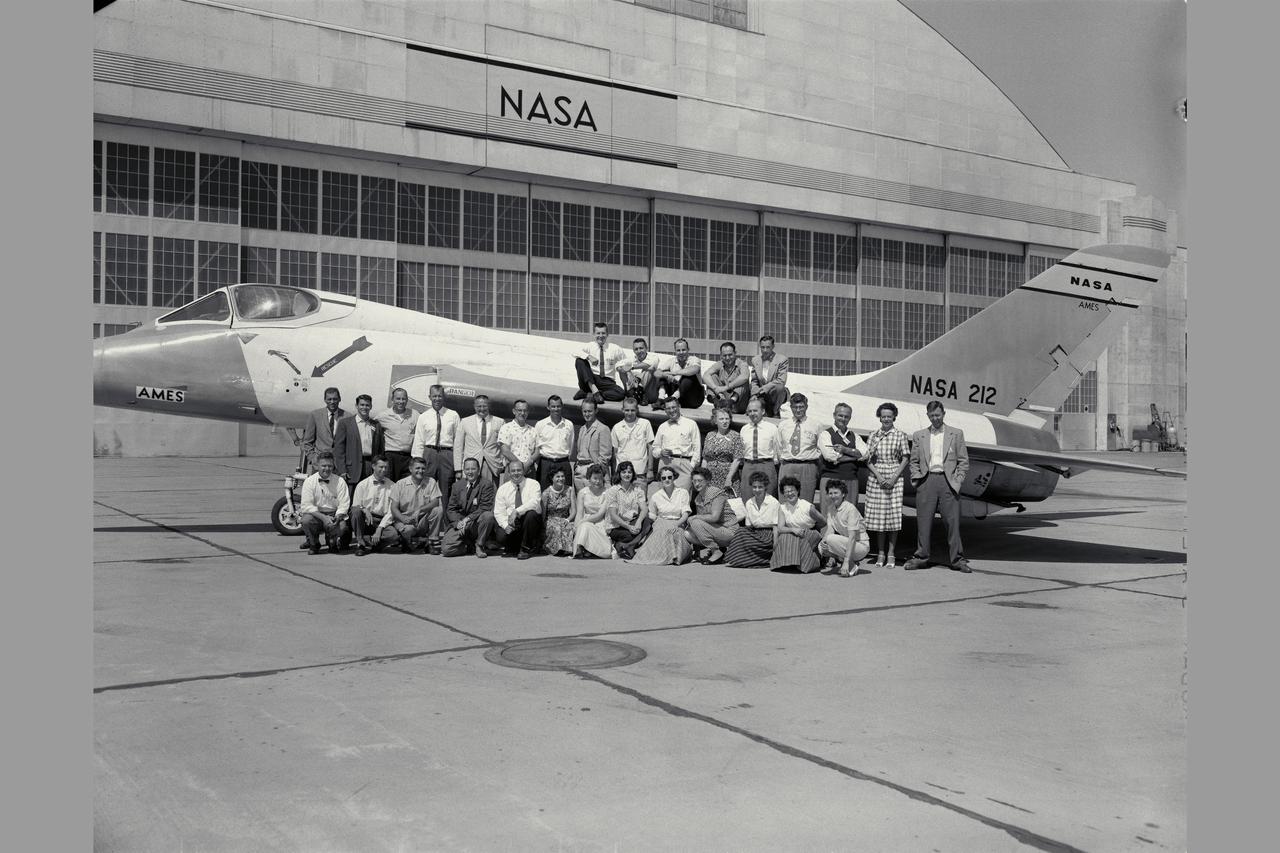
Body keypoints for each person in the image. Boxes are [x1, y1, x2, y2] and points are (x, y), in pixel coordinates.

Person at [903, 401, 973, 573]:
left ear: (944, 414)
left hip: (948, 482)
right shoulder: (920, 435)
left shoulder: (956, 434)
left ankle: (957, 559)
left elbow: (963, 461)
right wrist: (917, 478)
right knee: (924, 522)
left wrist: (958, 479)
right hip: (927, 481)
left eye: (938, 415)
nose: (935, 418)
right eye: (932, 415)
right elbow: (913, 462)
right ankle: (921, 557)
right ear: (927, 415)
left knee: (952, 522)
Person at [410, 384, 460, 554]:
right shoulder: (424, 417)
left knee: (446, 492)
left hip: (447, 454)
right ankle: (424, 531)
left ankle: (446, 532)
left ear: (443, 397)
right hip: (429, 453)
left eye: (440, 396)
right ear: (429, 397)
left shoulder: (453, 415)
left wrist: (457, 463)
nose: (437, 399)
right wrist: (418, 462)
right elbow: (419, 440)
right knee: (427, 491)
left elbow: (457, 440)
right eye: (434, 396)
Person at [864, 402, 911, 568]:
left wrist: (893, 478)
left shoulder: (900, 435)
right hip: (876, 476)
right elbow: (867, 459)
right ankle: (881, 552)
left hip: (894, 475)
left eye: (889, 417)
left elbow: (905, 458)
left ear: (894, 417)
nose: (886, 419)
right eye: (883, 416)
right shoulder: (873, 435)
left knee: (892, 518)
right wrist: (878, 475)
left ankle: (891, 552)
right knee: (879, 518)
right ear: (879, 417)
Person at [627, 466, 690, 565]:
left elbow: (685, 514)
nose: (667, 480)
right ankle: (661, 557)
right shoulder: (656, 496)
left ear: (674, 477)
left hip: (678, 522)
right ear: (660, 480)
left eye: (670, 477)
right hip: (661, 521)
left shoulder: (683, 492)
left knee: (676, 534)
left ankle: (675, 557)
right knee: (663, 532)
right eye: (663, 478)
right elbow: (652, 516)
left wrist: (676, 524)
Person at [441, 457, 496, 558]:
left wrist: (467, 519)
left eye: (473, 469)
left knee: (488, 516)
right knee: (446, 550)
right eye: (467, 469)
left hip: (476, 523)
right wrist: (458, 523)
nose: (470, 472)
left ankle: (479, 545)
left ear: (479, 470)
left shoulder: (486, 484)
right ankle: (469, 547)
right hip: (460, 523)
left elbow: (485, 507)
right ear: (464, 470)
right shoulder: (457, 486)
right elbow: (451, 509)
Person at [682, 467, 738, 565]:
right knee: (688, 533)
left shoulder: (716, 493)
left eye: (700, 481)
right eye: (694, 481)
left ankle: (716, 552)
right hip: (716, 530)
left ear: (708, 481)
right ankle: (720, 549)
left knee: (694, 521)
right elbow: (701, 525)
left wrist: (695, 517)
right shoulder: (698, 499)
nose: (697, 484)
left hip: (730, 531)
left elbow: (714, 517)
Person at [771, 475, 826, 573]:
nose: (790, 493)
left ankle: (809, 562)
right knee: (785, 537)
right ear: (783, 494)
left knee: (796, 538)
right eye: (786, 491)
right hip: (794, 532)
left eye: (792, 490)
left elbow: (823, 521)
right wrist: (793, 529)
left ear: (797, 491)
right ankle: (789, 563)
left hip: (810, 533)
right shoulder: (782, 508)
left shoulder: (807, 507)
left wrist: (813, 529)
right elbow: (780, 528)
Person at [299, 451, 351, 554]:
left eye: (330, 466)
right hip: (316, 515)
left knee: (342, 526)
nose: (327, 469)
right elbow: (306, 506)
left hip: (334, 514)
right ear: (317, 465)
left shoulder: (340, 481)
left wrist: (337, 517)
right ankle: (314, 543)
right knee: (305, 520)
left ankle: (332, 542)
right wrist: (323, 517)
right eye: (324, 466)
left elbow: (344, 504)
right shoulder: (309, 482)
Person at [387, 457, 443, 554]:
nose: (420, 471)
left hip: (421, 520)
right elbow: (394, 508)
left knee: (438, 510)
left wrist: (420, 510)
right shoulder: (400, 484)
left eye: (423, 468)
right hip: (406, 521)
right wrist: (403, 518)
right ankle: (405, 541)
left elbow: (435, 502)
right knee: (408, 530)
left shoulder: (431, 482)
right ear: (410, 469)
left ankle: (432, 542)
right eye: (417, 468)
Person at [724, 471, 780, 568]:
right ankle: (737, 559)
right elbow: (748, 526)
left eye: (760, 487)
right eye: (754, 487)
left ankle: (765, 559)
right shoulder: (749, 503)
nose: (757, 490)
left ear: (765, 487)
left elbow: (776, 527)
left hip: (769, 535)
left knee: (746, 539)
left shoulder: (773, 502)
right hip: (755, 533)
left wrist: (776, 546)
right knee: (740, 531)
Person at [490, 460, 543, 559]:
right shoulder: (502, 489)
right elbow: (498, 512)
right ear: (509, 473)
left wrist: (516, 511)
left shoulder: (533, 484)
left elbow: (535, 502)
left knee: (531, 514)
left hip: (528, 523)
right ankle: (515, 547)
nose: (516, 473)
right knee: (501, 536)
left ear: (524, 471)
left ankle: (525, 548)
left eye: (519, 470)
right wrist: (506, 526)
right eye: (513, 471)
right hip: (512, 523)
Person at [818, 480, 870, 578]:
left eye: (836, 493)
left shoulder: (850, 509)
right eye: (830, 493)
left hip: (861, 546)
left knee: (830, 539)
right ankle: (850, 563)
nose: (833, 496)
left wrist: (846, 561)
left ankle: (849, 563)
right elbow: (830, 529)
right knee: (821, 547)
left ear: (843, 494)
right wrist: (823, 544)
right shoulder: (831, 508)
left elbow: (852, 537)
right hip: (848, 544)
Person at [778, 393, 825, 503]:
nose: (798, 410)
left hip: (807, 467)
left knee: (805, 503)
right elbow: (779, 447)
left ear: (806, 407)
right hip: (787, 466)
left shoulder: (816, 425)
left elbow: (821, 448)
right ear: (791, 407)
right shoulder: (783, 425)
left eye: (801, 407)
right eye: (795, 407)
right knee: (785, 502)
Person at [334, 393, 384, 494]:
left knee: (368, 495)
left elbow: (380, 449)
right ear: (356, 406)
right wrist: (342, 470)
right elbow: (339, 449)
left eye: (367, 405)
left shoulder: (376, 425)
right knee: (350, 497)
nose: (364, 407)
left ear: (371, 406)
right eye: (362, 405)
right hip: (352, 467)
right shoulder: (345, 423)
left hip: (370, 465)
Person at [818, 402, 866, 503]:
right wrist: (855, 456)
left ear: (850, 418)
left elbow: (865, 454)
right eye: (840, 415)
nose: (843, 419)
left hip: (851, 480)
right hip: (831, 479)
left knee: (849, 514)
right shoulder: (826, 434)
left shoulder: (855, 436)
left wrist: (845, 450)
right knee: (829, 515)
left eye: (846, 417)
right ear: (834, 415)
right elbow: (829, 456)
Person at [651, 397, 701, 491]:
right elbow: (654, 449)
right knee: (664, 498)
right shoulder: (662, 427)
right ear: (665, 410)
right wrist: (661, 452)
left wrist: (691, 466)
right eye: (668, 408)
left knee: (683, 498)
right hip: (665, 465)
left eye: (674, 407)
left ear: (679, 406)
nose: (671, 410)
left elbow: (697, 449)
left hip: (684, 465)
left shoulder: (691, 424)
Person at [351, 454, 396, 556]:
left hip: (382, 520)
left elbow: (391, 511)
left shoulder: (393, 486)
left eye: (386, 467)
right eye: (381, 467)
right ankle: (361, 544)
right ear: (373, 466)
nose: (384, 470)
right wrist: (364, 509)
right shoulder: (363, 484)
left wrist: (380, 528)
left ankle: (374, 545)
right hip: (366, 520)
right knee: (356, 511)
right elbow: (356, 505)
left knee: (393, 535)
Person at [573, 321, 629, 404]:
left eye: (603, 333)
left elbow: (626, 362)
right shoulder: (590, 346)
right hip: (591, 380)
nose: (600, 336)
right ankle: (594, 391)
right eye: (598, 333)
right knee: (579, 361)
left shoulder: (615, 348)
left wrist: (626, 371)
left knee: (621, 394)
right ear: (594, 334)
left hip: (607, 382)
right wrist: (589, 356)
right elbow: (575, 352)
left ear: (607, 334)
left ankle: (591, 394)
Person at [455, 394, 505, 485]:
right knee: (471, 495)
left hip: (491, 466)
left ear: (489, 406)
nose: (482, 409)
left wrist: (502, 464)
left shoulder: (500, 422)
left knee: (490, 494)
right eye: (479, 406)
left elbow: (503, 446)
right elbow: (458, 447)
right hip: (471, 466)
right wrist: (458, 469)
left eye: (484, 406)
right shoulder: (465, 422)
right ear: (474, 407)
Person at [736, 397, 781, 496]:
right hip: (748, 465)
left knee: (767, 497)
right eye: (750, 411)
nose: (752, 413)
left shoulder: (772, 428)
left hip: (766, 465)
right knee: (747, 497)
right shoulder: (744, 429)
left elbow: (777, 449)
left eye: (755, 410)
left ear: (763, 411)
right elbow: (741, 450)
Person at [606, 461, 651, 560]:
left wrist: (638, 522)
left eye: (629, 472)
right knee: (631, 534)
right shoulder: (612, 491)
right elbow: (613, 515)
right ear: (619, 474)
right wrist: (628, 527)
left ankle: (627, 546)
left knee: (648, 522)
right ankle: (621, 544)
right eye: (624, 472)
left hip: (632, 522)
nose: (627, 474)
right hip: (616, 526)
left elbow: (644, 509)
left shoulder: (638, 490)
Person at [374, 387, 419, 481]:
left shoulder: (415, 415)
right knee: (389, 485)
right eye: (398, 398)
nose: (401, 401)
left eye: (404, 399)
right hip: (390, 457)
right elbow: (371, 427)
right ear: (392, 400)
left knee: (405, 486)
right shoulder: (383, 416)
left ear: (407, 400)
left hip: (407, 458)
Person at [533, 395, 575, 490]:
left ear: (562, 406)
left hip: (563, 463)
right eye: (553, 406)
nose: (556, 409)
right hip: (545, 464)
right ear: (548, 407)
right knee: (544, 492)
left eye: (558, 406)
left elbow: (570, 445)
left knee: (566, 493)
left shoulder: (569, 425)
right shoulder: (540, 424)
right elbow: (536, 447)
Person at [572, 464, 613, 558]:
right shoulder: (582, 492)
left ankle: (586, 549)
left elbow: (600, 514)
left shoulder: (608, 492)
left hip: (601, 522)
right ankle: (581, 548)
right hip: (586, 519)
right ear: (589, 478)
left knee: (585, 525)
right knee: (583, 527)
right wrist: (576, 526)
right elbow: (579, 513)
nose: (598, 481)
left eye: (600, 478)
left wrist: (583, 521)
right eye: (595, 478)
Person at [611, 397, 654, 482]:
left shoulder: (645, 424)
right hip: (622, 474)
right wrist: (614, 473)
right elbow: (615, 453)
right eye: (627, 410)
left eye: (632, 410)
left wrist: (650, 470)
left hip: (640, 472)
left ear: (637, 410)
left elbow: (650, 447)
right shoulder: (617, 427)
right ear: (622, 410)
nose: (629, 413)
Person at [301, 387, 345, 470]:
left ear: (339, 399)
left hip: (340, 466)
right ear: (325, 400)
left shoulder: (347, 416)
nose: (332, 402)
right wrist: (314, 459)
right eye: (329, 399)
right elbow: (307, 442)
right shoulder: (315, 415)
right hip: (320, 465)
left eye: (335, 399)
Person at [653, 338, 705, 410]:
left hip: (693, 398)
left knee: (688, 377)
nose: (681, 352)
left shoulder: (694, 359)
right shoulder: (671, 361)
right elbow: (656, 373)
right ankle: (660, 400)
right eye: (678, 350)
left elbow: (695, 369)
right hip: (679, 399)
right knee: (663, 374)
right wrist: (666, 375)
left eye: (683, 350)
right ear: (675, 351)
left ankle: (671, 399)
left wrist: (673, 373)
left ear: (688, 350)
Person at [573, 399, 613, 491]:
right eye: (585, 411)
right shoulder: (582, 429)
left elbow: (605, 456)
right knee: (581, 502)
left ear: (596, 411)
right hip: (579, 473)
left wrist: (594, 473)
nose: (587, 414)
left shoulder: (603, 429)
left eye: (590, 411)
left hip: (594, 472)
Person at [701, 408, 745, 491]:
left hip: (727, 478)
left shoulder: (735, 436)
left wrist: (729, 478)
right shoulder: (709, 435)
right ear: (715, 421)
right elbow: (705, 459)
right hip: (710, 478)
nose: (725, 421)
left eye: (727, 419)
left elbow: (737, 459)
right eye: (721, 419)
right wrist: (703, 476)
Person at [703, 341, 750, 415]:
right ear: (721, 355)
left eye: (730, 355)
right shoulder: (720, 364)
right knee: (712, 376)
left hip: (738, 404)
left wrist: (725, 387)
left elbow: (745, 376)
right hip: (722, 400)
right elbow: (705, 375)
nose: (727, 358)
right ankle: (716, 402)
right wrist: (715, 388)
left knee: (743, 381)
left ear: (735, 353)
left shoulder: (742, 363)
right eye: (724, 355)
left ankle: (729, 403)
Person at [497, 399, 537, 482]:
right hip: (512, 469)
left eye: (525, 411)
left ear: (528, 412)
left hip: (529, 470)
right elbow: (505, 450)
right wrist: (521, 466)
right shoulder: (506, 428)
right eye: (519, 410)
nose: (522, 413)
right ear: (514, 411)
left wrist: (527, 464)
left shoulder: (533, 430)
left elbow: (537, 450)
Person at [749, 335, 790, 417]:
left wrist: (763, 389)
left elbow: (781, 380)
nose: (765, 350)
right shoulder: (755, 360)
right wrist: (754, 393)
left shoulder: (782, 359)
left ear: (773, 347)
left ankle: (776, 411)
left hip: (777, 393)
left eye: (768, 347)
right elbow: (754, 381)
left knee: (780, 387)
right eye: (762, 347)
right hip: (762, 394)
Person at [540, 467, 576, 557]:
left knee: (571, 527)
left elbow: (574, 510)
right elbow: (543, 513)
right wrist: (543, 526)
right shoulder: (546, 493)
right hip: (550, 519)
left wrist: (568, 520)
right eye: (558, 476)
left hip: (566, 518)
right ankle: (555, 549)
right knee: (556, 527)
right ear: (552, 478)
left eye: (562, 476)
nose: (561, 479)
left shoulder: (570, 490)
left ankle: (569, 550)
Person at [616, 337, 661, 405]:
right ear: (633, 351)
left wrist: (631, 367)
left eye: (641, 348)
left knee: (650, 370)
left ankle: (639, 390)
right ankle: (631, 393)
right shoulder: (632, 359)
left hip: (649, 393)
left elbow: (651, 365)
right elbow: (617, 365)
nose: (639, 351)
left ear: (646, 348)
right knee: (622, 371)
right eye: (636, 349)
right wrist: (626, 370)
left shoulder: (654, 357)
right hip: (633, 389)